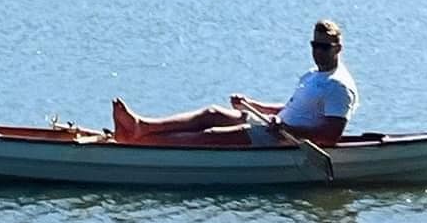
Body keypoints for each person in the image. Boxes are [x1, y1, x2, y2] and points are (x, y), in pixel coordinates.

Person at [110, 20, 359, 146]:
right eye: (315, 45)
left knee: (213, 136)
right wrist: (253, 105)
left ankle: (139, 143)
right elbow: (290, 109)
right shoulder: (313, 75)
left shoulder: (339, 86)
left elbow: (330, 135)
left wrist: (288, 129)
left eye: (324, 47)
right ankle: (142, 126)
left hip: (284, 139)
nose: (318, 51)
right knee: (212, 113)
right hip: (276, 127)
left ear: (338, 48)